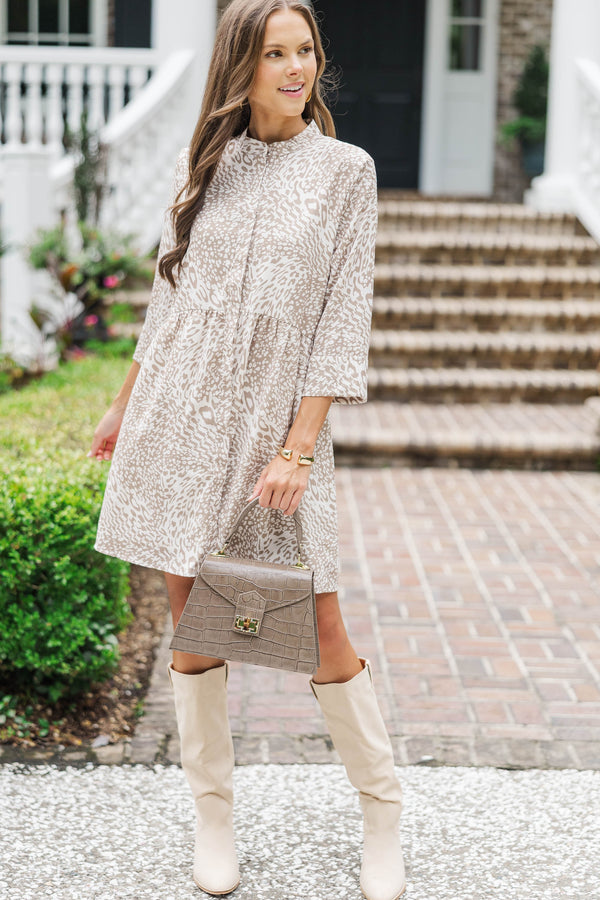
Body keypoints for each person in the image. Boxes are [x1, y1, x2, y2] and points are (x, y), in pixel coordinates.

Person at [88, 1, 405, 898]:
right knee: (195, 624)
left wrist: (297, 450)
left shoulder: (346, 171)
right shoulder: (206, 163)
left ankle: (382, 815)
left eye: (306, 50)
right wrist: (123, 407)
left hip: (276, 430)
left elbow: (341, 323)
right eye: (276, 53)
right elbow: (168, 300)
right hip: (179, 417)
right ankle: (213, 819)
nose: (297, 68)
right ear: (242, 64)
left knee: (321, 627)